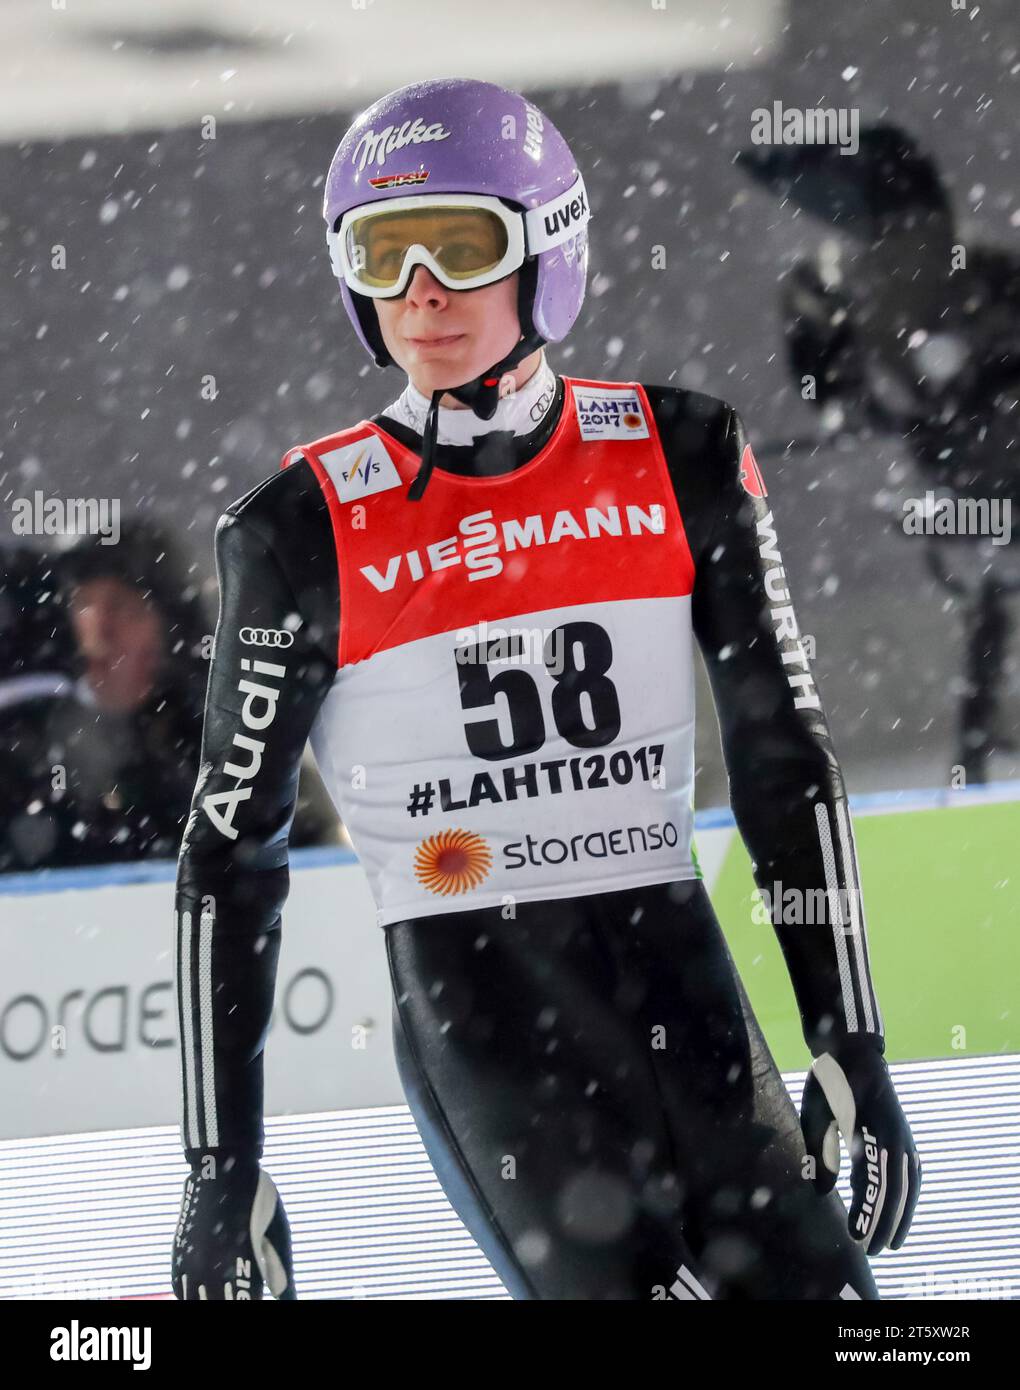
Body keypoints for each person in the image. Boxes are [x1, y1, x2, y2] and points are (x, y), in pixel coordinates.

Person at [171, 77, 921, 1301]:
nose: (419, 291)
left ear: (545, 247)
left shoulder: (683, 455)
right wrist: (221, 1164)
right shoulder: (299, 529)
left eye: (460, 244)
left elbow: (786, 756)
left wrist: (850, 1038)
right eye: (382, 251)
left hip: (687, 988)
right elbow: (228, 850)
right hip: (489, 1022)